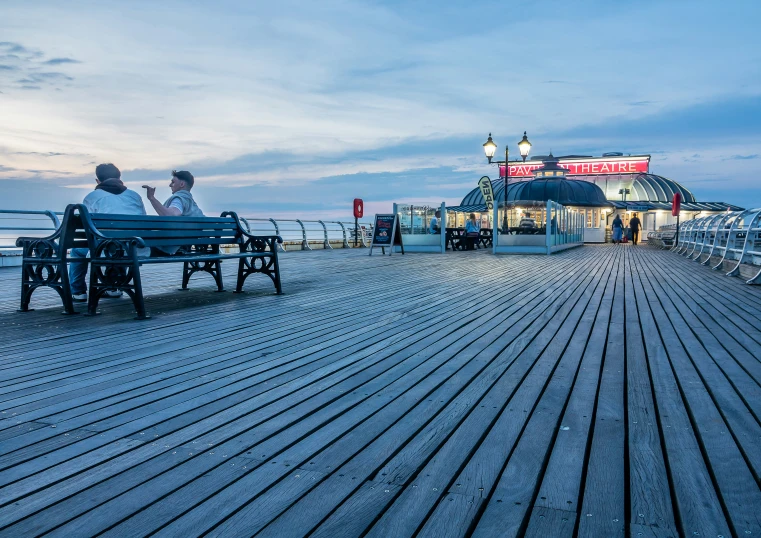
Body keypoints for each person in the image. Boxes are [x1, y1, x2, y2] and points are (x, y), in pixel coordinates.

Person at [69, 163, 148, 302]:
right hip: (134, 248)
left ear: (98, 181)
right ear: (119, 177)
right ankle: (113, 288)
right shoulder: (134, 196)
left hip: (107, 249)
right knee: (119, 242)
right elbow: (143, 221)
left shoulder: (92, 197)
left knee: (77, 250)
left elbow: (86, 227)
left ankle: (78, 291)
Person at [143, 170, 204, 254]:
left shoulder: (179, 198)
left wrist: (151, 198)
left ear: (182, 184)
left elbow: (171, 215)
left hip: (165, 248)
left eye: (173, 182)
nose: (170, 185)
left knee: (129, 246)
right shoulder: (192, 204)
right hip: (184, 246)